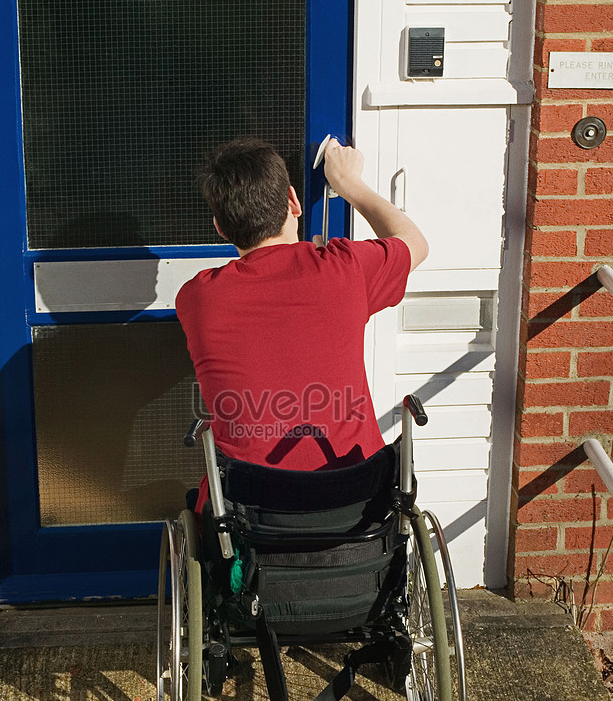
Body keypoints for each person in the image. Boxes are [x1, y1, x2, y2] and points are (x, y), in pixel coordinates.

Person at [175, 137, 428, 490]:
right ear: (293, 202)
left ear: (220, 227)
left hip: (253, 511)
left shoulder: (196, 297)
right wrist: (348, 184)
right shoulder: (346, 270)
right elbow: (414, 242)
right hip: (356, 501)